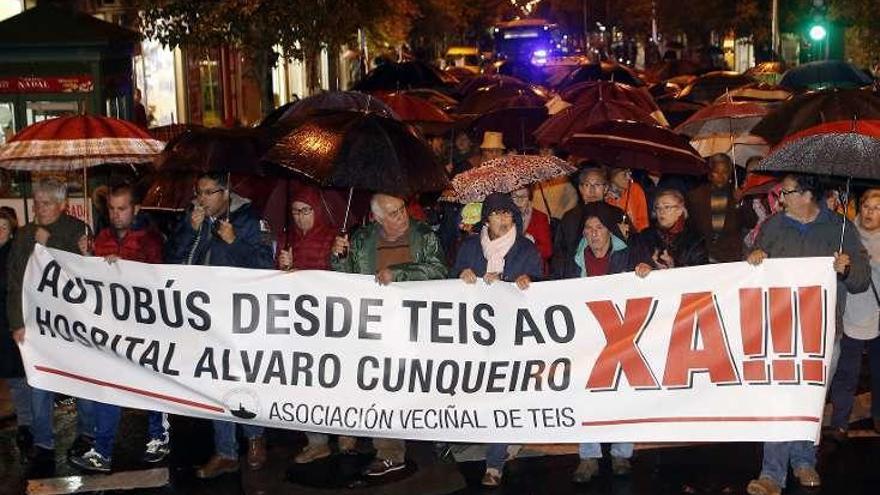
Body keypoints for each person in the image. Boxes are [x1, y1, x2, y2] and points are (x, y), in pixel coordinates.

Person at [745, 173, 870, 495]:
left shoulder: (840, 229)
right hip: (780, 330)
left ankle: (804, 461)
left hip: (825, 332)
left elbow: (859, 283)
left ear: (806, 195)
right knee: (778, 400)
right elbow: (753, 272)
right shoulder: (773, 227)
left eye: (785, 193)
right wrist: (755, 259)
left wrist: (847, 267)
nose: (780, 199)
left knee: (810, 400)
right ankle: (771, 474)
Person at [331, 193, 447, 476]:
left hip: (417, 324)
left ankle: (440, 433)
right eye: (394, 213)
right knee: (383, 385)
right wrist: (338, 257)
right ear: (378, 218)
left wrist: (398, 274)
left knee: (423, 384)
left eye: (402, 208)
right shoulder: (361, 239)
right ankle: (389, 452)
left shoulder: (423, 235)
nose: (403, 215)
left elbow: (440, 271)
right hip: (379, 327)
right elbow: (348, 280)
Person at [168, 172, 274, 478]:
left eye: (208, 192)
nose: (201, 199)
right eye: (198, 192)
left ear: (225, 192)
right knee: (215, 380)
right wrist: (191, 231)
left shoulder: (251, 220)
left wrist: (235, 242)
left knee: (242, 379)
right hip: (205, 316)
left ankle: (255, 439)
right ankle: (225, 451)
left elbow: (267, 266)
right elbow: (174, 260)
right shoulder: (194, 218)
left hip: (241, 317)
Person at [68, 184, 168, 473]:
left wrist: (127, 267)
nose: (116, 214)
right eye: (112, 209)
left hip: (144, 329)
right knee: (107, 387)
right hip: (111, 329)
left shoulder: (150, 239)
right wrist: (87, 259)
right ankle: (102, 450)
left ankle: (157, 437)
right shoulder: (101, 238)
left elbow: (159, 279)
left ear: (135, 209)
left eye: (122, 208)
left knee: (149, 383)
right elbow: (92, 282)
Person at [450, 193, 542, 487]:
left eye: (509, 214)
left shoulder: (526, 249)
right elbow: (449, 283)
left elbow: (542, 285)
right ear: (486, 218)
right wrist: (461, 275)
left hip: (511, 333)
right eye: (499, 214)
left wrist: (527, 282)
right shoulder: (468, 248)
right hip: (475, 334)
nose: (505, 220)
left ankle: (494, 461)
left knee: (501, 393)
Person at [7, 177, 94, 474]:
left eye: (45, 203)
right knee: (39, 384)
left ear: (62, 205)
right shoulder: (24, 235)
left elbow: (82, 275)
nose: (38, 208)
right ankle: (43, 442)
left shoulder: (78, 231)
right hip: (37, 325)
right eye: (36, 202)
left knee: (80, 380)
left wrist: (51, 243)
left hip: (71, 324)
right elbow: (16, 280)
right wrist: (16, 322)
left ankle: (88, 433)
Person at [560, 202, 650, 483]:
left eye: (599, 228)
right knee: (587, 395)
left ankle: (621, 452)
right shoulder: (572, 263)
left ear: (610, 231)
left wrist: (647, 273)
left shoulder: (629, 256)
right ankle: (589, 456)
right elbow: (555, 292)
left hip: (620, 336)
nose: (594, 233)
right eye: (588, 228)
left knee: (621, 394)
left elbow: (652, 288)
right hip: (586, 339)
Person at [828, 189, 880, 439]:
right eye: (867, 206)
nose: (870, 212)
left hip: (878, 316)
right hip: (851, 314)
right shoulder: (848, 235)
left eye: (877, 208)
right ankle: (840, 421)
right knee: (847, 374)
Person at [550, 166, 624, 279]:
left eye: (597, 185)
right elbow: (560, 252)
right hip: (575, 276)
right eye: (587, 185)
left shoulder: (617, 214)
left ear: (605, 188)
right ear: (580, 188)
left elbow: (628, 248)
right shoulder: (570, 217)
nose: (592, 190)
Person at [0, 209, 30, 460]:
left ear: (11, 230)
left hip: (9, 324)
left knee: (17, 380)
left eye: (3, 226)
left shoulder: (15, 255)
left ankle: (26, 426)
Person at [631, 189, 708, 269]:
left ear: (680, 210)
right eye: (658, 208)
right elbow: (635, 262)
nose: (661, 211)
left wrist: (674, 266)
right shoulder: (645, 236)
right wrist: (649, 265)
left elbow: (701, 272)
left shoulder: (695, 239)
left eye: (667, 207)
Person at [687, 154, 743, 262]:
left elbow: (751, 222)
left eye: (725, 172)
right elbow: (690, 227)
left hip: (730, 257)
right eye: (716, 172)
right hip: (702, 256)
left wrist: (740, 202)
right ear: (709, 174)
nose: (721, 177)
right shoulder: (695, 195)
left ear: (730, 174)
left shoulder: (737, 194)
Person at [277, 186, 337, 272]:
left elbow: (337, 272)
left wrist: (336, 255)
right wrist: (283, 267)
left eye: (305, 210)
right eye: (295, 211)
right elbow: (276, 274)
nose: (300, 216)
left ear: (317, 210)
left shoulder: (332, 238)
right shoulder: (285, 238)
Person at [510, 187, 552, 273]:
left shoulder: (539, 217)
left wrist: (531, 245)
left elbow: (547, 251)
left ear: (529, 197)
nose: (519, 200)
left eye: (524, 196)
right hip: (510, 268)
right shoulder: (504, 217)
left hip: (534, 269)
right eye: (515, 196)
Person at [605, 167, 649, 233]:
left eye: (629, 173)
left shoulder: (635, 189)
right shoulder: (604, 194)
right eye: (624, 174)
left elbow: (643, 222)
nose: (629, 178)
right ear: (612, 176)